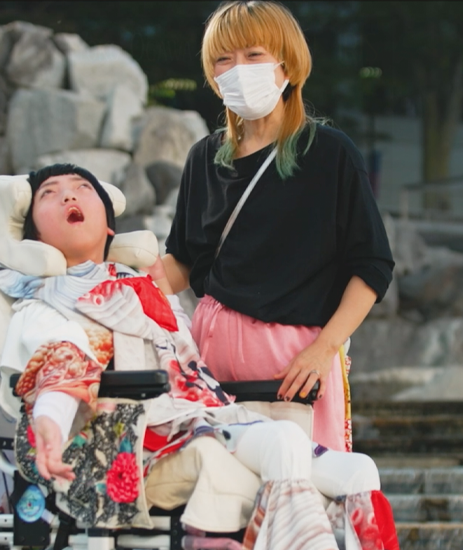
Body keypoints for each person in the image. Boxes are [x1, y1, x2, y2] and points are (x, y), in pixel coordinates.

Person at [0, 164, 394, 548]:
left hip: (202, 419)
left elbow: (187, 364)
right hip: (138, 438)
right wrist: (49, 420)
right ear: (35, 238)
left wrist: (160, 284)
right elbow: (63, 360)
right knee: (285, 441)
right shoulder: (44, 303)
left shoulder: (142, 290)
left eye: (82, 187)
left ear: (109, 225)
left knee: (360, 471)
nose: (68, 193)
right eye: (49, 194)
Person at [152, 1, 394, 454]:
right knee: (216, 508)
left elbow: (372, 265)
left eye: (253, 55)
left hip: (293, 362)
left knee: (301, 496)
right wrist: (116, 276)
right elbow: (183, 261)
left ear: (288, 63)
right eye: (223, 59)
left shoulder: (328, 153)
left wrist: (324, 350)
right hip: (210, 357)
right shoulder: (204, 157)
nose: (237, 69)